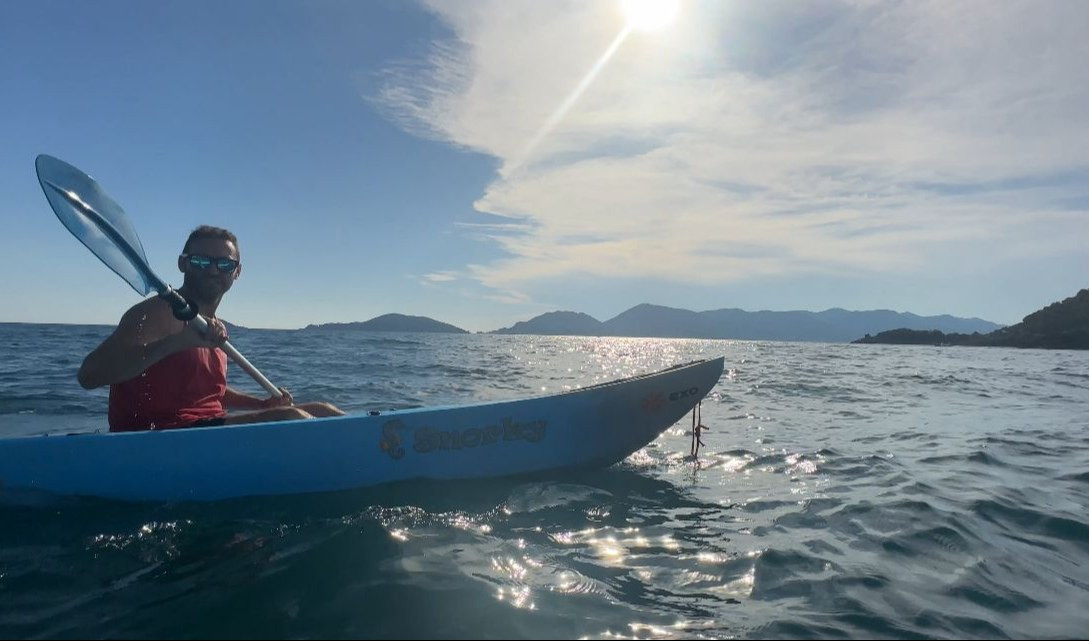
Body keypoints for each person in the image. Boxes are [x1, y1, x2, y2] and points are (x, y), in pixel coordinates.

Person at [78, 225, 345, 432]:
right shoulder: (155, 313)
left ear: (237, 272)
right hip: (158, 435)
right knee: (290, 419)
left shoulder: (213, 327)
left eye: (225, 264)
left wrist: (260, 404)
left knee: (324, 411)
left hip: (207, 428)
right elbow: (89, 376)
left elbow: (208, 392)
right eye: (202, 261)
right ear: (183, 263)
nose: (214, 270)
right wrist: (177, 342)